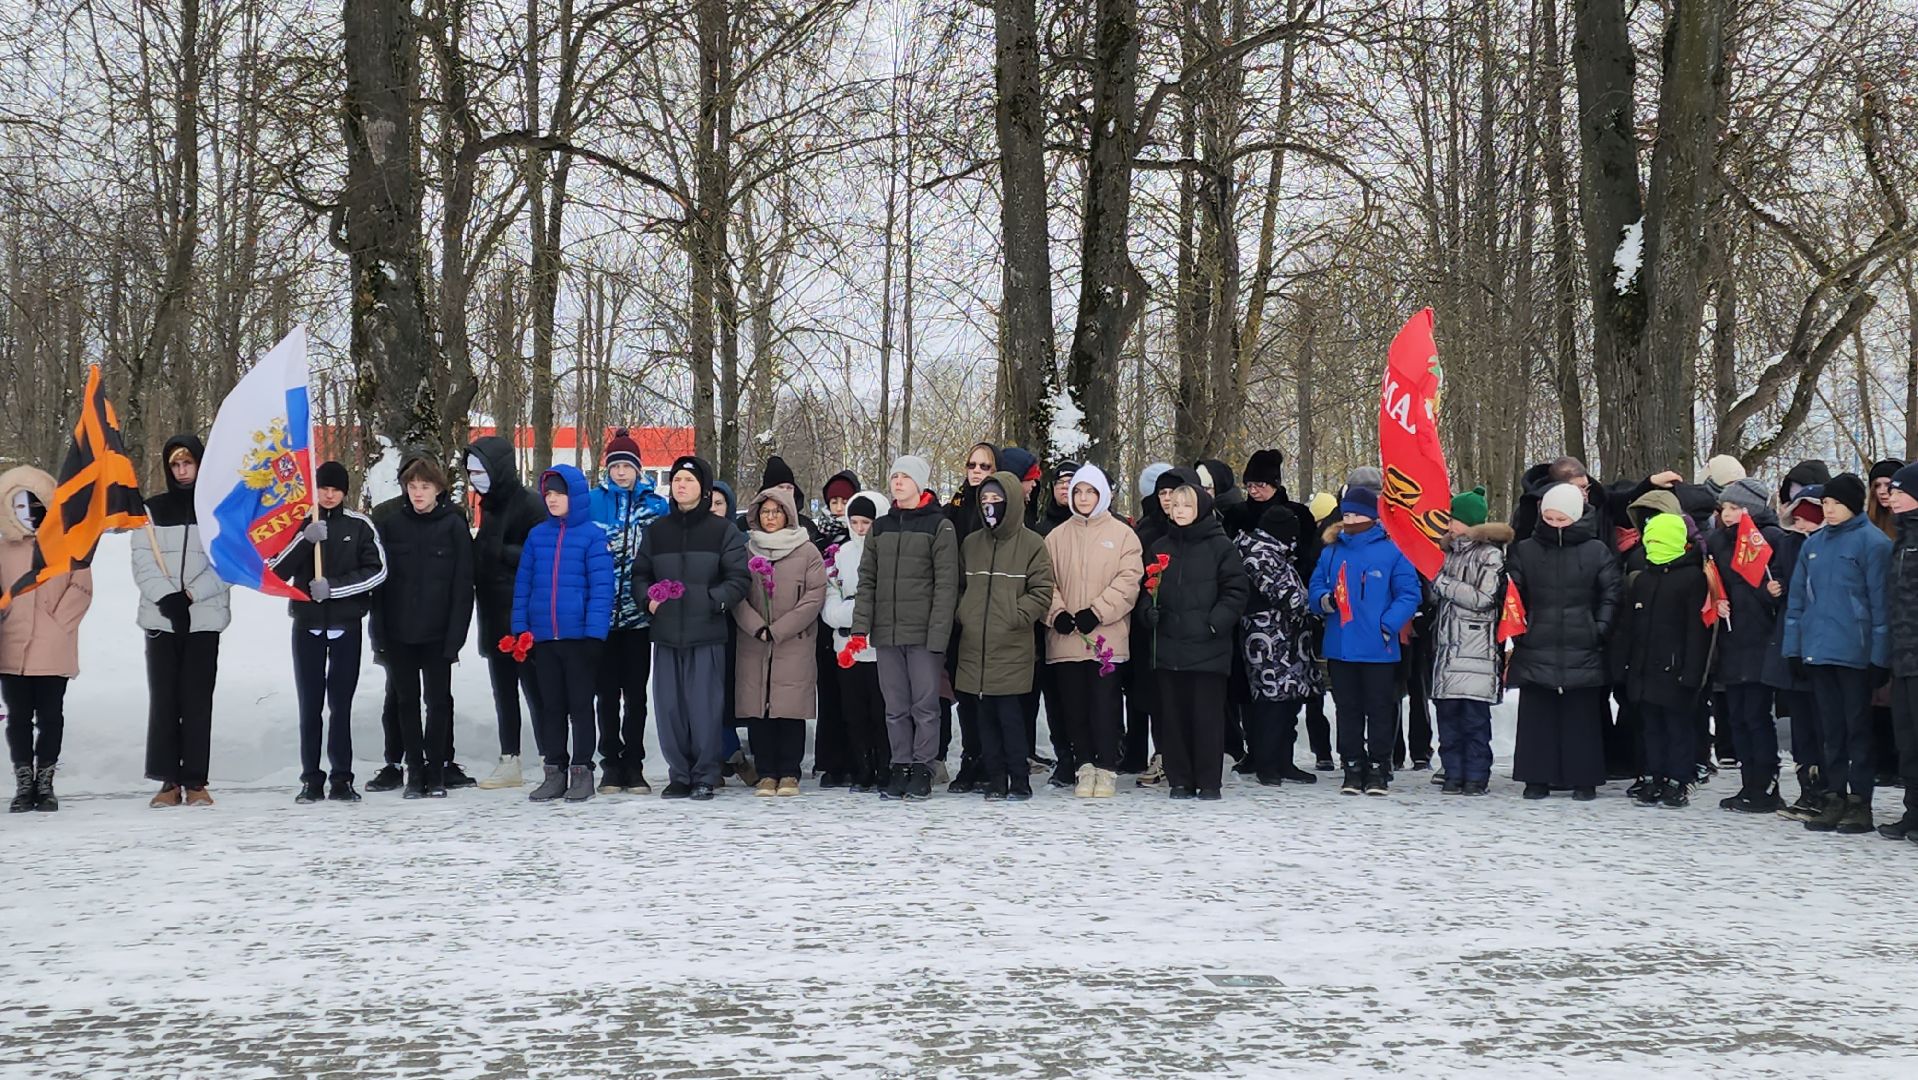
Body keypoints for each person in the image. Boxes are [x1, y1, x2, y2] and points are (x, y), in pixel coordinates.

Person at [627, 456, 749, 801]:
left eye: (689, 480)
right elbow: (640, 575)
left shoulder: (722, 531)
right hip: (666, 633)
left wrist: (712, 600)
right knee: (670, 708)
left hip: (706, 632)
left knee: (704, 707)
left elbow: (738, 579)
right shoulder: (657, 531)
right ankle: (679, 774)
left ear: (704, 489)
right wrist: (647, 599)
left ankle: (705, 775)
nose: (681, 485)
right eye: (677, 479)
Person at [269, 461, 388, 805]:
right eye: (324, 488)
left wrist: (334, 588)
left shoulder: (360, 525)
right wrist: (305, 541)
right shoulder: (300, 524)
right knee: (310, 705)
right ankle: (310, 779)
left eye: (335, 489)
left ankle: (341, 777)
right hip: (307, 626)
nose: (330, 494)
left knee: (340, 705)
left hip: (345, 627)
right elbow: (277, 569)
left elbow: (377, 572)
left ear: (344, 491)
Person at [1784, 473, 1891, 835]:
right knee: (1829, 730)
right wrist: (1794, 649)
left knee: (1857, 729)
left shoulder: (1873, 543)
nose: (1828, 510)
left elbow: (1881, 605)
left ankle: (1860, 801)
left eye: (1835, 504)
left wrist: (1880, 657)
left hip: (1855, 652)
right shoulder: (1813, 544)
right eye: (1825, 504)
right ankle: (1834, 795)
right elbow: (1797, 601)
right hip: (1818, 650)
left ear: (1853, 505)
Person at [853, 454, 960, 801]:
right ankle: (899, 764)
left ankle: (923, 766)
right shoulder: (881, 527)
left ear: (921, 483)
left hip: (924, 633)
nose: (898, 482)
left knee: (925, 706)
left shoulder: (939, 525)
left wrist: (939, 633)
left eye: (905, 477)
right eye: (894, 476)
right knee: (895, 706)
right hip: (887, 633)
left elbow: (946, 584)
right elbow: (867, 579)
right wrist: (860, 628)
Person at [1505, 482, 1620, 801]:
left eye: (1561, 519)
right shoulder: (1526, 550)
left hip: (1582, 641)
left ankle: (1584, 778)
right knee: (1537, 715)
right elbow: (1514, 592)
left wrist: (1600, 627)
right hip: (1536, 640)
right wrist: (1520, 628)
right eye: (1550, 519)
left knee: (1580, 716)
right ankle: (1535, 776)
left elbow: (1611, 592)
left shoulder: (1596, 550)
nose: (1555, 525)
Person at [134, 436, 231, 808]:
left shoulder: (217, 510)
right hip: (162, 618)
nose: (182, 471)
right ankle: (167, 780)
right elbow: (142, 561)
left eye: (188, 463)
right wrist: (167, 597)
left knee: (195, 701)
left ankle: (195, 780)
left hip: (203, 618)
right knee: (164, 701)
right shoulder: (151, 510)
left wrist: (190, 596)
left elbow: (228, 564)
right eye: (175, 465)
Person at [370, 455, 475, 799]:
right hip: (399, 632)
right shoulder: (391, 523)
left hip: (438, 633)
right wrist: (379, 634)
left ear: (438, 489)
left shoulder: (453, 525)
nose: (418, 493)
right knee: (405, 702)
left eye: (425, 487)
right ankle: (413, 771)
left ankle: (437, 769)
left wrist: (455, 636)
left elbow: (463, 587)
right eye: (412, 487)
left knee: (438, 702)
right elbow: (380, 586)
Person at [1308, 485, 1421, 795]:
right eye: (1346, 514)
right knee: (1347, 708)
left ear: (1372, 515)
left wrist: (1388, 624)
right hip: (1341, 645)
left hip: (1378, 647)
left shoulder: (1392, 550)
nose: (1351, 519)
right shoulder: (1331, 551)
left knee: (1380, 707)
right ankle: (1352, 764)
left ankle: (1378, 766)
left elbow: (1409, 593)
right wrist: (1324, 601)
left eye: (1357, 513)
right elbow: (1315, 586)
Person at [511, 465, 615, 803]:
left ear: (575, 496)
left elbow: (602, 589)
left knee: (580, 706)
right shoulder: (536, 536)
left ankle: (582, 770)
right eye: (548, 493)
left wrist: (594, 636)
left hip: (579, 639)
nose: (552, 499)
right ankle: (553, 770)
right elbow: (523, 586)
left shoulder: (592, 536)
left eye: (559, 493)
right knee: (550, 706)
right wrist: (520, 630)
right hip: (543, 638)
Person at [1142, 472, 1249, 799]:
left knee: (1206, 718)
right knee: (1173, 718)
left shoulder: (1220, 546)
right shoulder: (1161, 547)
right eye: (1174, 504)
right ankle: (1180, 779)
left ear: (1201, 506)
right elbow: (1146, 589)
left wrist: (1214, 623)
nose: (1179, 510)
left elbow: (1236, 591)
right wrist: (1149, 612)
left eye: (1186, 504)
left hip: (1207, 650)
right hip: (1170, 648)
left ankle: (1208, 781)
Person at [954, 471, 1054, 800]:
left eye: (996, 500)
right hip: (974, 648)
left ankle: (1020, 780)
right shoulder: (972, 544)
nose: (989, 506)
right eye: (984, 500)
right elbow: (959, 588)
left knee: (1011, 719)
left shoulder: (1032, 544)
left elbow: (1041, 591)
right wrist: (965, 613)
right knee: (983, 719)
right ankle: (995, 779)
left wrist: (1015, 615)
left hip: (1012, 646)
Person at [1043, 465, 1142, 797]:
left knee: (1105, 705)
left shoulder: (1124, 534)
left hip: (1106, 639)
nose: (1084, 498)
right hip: (1066, 638)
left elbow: (1129, 581)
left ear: (1103, 495)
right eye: (1078, 492)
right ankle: (1083, 766)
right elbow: (1045, 581)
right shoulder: (1056, 537)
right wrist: (1056, 612)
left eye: (1090, 492)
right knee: (1074, 706)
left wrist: (1098, 611)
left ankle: (1106, 767)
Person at [1, 466, 92, 813]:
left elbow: (81, 588)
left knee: (51, 716)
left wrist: (57, 625)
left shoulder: (69, 546)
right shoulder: (4, 550)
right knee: (19, 717)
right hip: (13, 647)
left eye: (35, 506)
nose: (28, 515)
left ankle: (46, 782)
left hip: (53, 647)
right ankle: (24, 782)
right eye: (20, 507)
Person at [465, 435, 547, 789]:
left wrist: (500, 552)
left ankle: (551, 757)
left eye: (480, 470)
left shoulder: (530, 503)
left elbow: (542, 555)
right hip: (492, 613)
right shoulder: (489, 505)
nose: (475, 478)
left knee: (537, 691)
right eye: (470, 472)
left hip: (525, 616)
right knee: (504, 692)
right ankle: (509, 758)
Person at [1704, 478, 1791, 812]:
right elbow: (1713, 582)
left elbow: (1780, 580)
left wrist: (1774, 592)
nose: (1727, 514)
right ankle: (1748, 784)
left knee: (1756, 716)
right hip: (1730, 637)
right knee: (1737, 716)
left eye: (1735, 508)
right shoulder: (1717, 542)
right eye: (1724, 507)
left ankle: (1766, 784)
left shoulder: (1771, 539)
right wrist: (1716, 601)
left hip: (1761, 640)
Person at [589, 429, 668, 795]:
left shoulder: (656, 506)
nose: (621, 472)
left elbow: (664, 560)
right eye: (615, 465)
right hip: (602, 617)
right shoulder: (592, 503)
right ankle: (611, 764)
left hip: (639, 619)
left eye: (627, 466)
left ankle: (634, 764)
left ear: (638, 469)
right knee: (605, 693)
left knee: (635, 694)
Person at [734, 488, 827, 796]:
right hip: (755, 640)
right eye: (765, 512)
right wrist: (758, 627)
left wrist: (781, 628)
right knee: (759, 707)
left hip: (793, 640)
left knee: (789, 708)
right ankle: (766, 771)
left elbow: (814, 596)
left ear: (788, 514)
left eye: (777, 511)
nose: (770, 517)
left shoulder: (806, 551)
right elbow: (738, 595)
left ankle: (789, 771)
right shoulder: (748, 550)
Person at [1621, 513, 1717, 808]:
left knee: (1677, 726)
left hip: (1675, 668)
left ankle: (1678, 778)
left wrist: (1692, 671)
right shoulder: (1642, 579)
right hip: (1644, 666)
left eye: (1660, 541)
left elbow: (1696, 631)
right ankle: (1652, 774)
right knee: (1650, 726)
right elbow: (1630, 627)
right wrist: (1626, 663)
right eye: (1650, 541)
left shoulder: (1692, 579)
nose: (1653, 546)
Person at [1429, 487, 1509, 796]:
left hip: (1476, 650)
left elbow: (1483, 598)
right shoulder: (1448, 553)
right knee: (1448, 719)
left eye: (1454, 518)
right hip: (1449, 649)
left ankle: (1476, 775)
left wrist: (1443, 583)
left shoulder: (1490, 555)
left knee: (1474, 721)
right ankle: (1453, 773)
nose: (1449, 523)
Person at [1235, 501, 1321, 787]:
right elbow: (1286, 596)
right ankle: (1268, 765)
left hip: (1284, 641)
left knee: (1286, 705)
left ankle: (1283, 762)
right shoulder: (1260, 554)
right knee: (1271, 706)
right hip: (1269, 641)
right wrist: (1321, 604)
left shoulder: (1273, 551)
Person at [823, 491, 888, 790]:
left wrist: (860, 611)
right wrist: (850, 613)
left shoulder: (887, 553)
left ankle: (885, 766)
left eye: (867, 522)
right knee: (854, 712)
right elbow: (830, 599)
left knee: (881, 712)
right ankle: (862, 768)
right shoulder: (840, 555)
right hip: (846, 645)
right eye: (856, 522)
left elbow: (883, 601)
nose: (861, 528)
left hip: (879, 648)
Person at [813, 468, 861, 787]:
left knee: (854, 697)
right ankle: (830, 762)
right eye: (834, 501)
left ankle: (857, 760)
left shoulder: (862, 536)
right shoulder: (819, 537)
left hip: (854, 628)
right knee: (829, 697)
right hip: (824, 626)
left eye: (845, 500)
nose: (839, 507)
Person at [1881, 464, 1918, 844]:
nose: (1892, 496)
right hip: (1903, 657)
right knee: (1906, 740)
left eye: (1900, 490)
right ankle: (1913, 812)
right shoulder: (1901, 540)